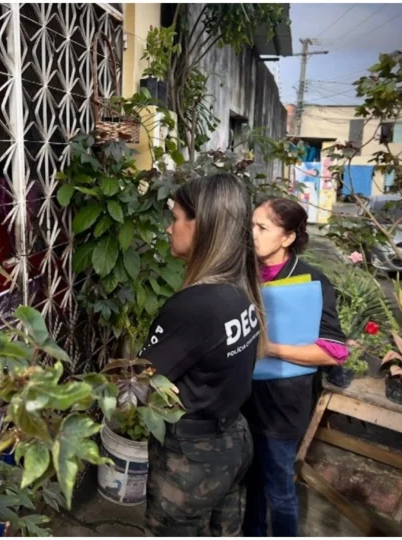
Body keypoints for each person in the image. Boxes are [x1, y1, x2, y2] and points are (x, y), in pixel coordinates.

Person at [140, 173, 264, 536]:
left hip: (192, 458)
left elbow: (138, 382)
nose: (169, 228)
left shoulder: (194, 306)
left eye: (176, 217)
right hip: (234, 441)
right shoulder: (239, 289)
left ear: (203, 226)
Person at [242, 197, 348, 537]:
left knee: (279, 491)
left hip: (282, 406)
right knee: (251, 484)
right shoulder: (242, 272)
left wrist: (269, 347)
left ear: (288, 237)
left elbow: (333, 351)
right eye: (251, 225)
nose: (252, 234)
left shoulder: (312, 281)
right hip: (243, 399)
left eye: (262, 228)